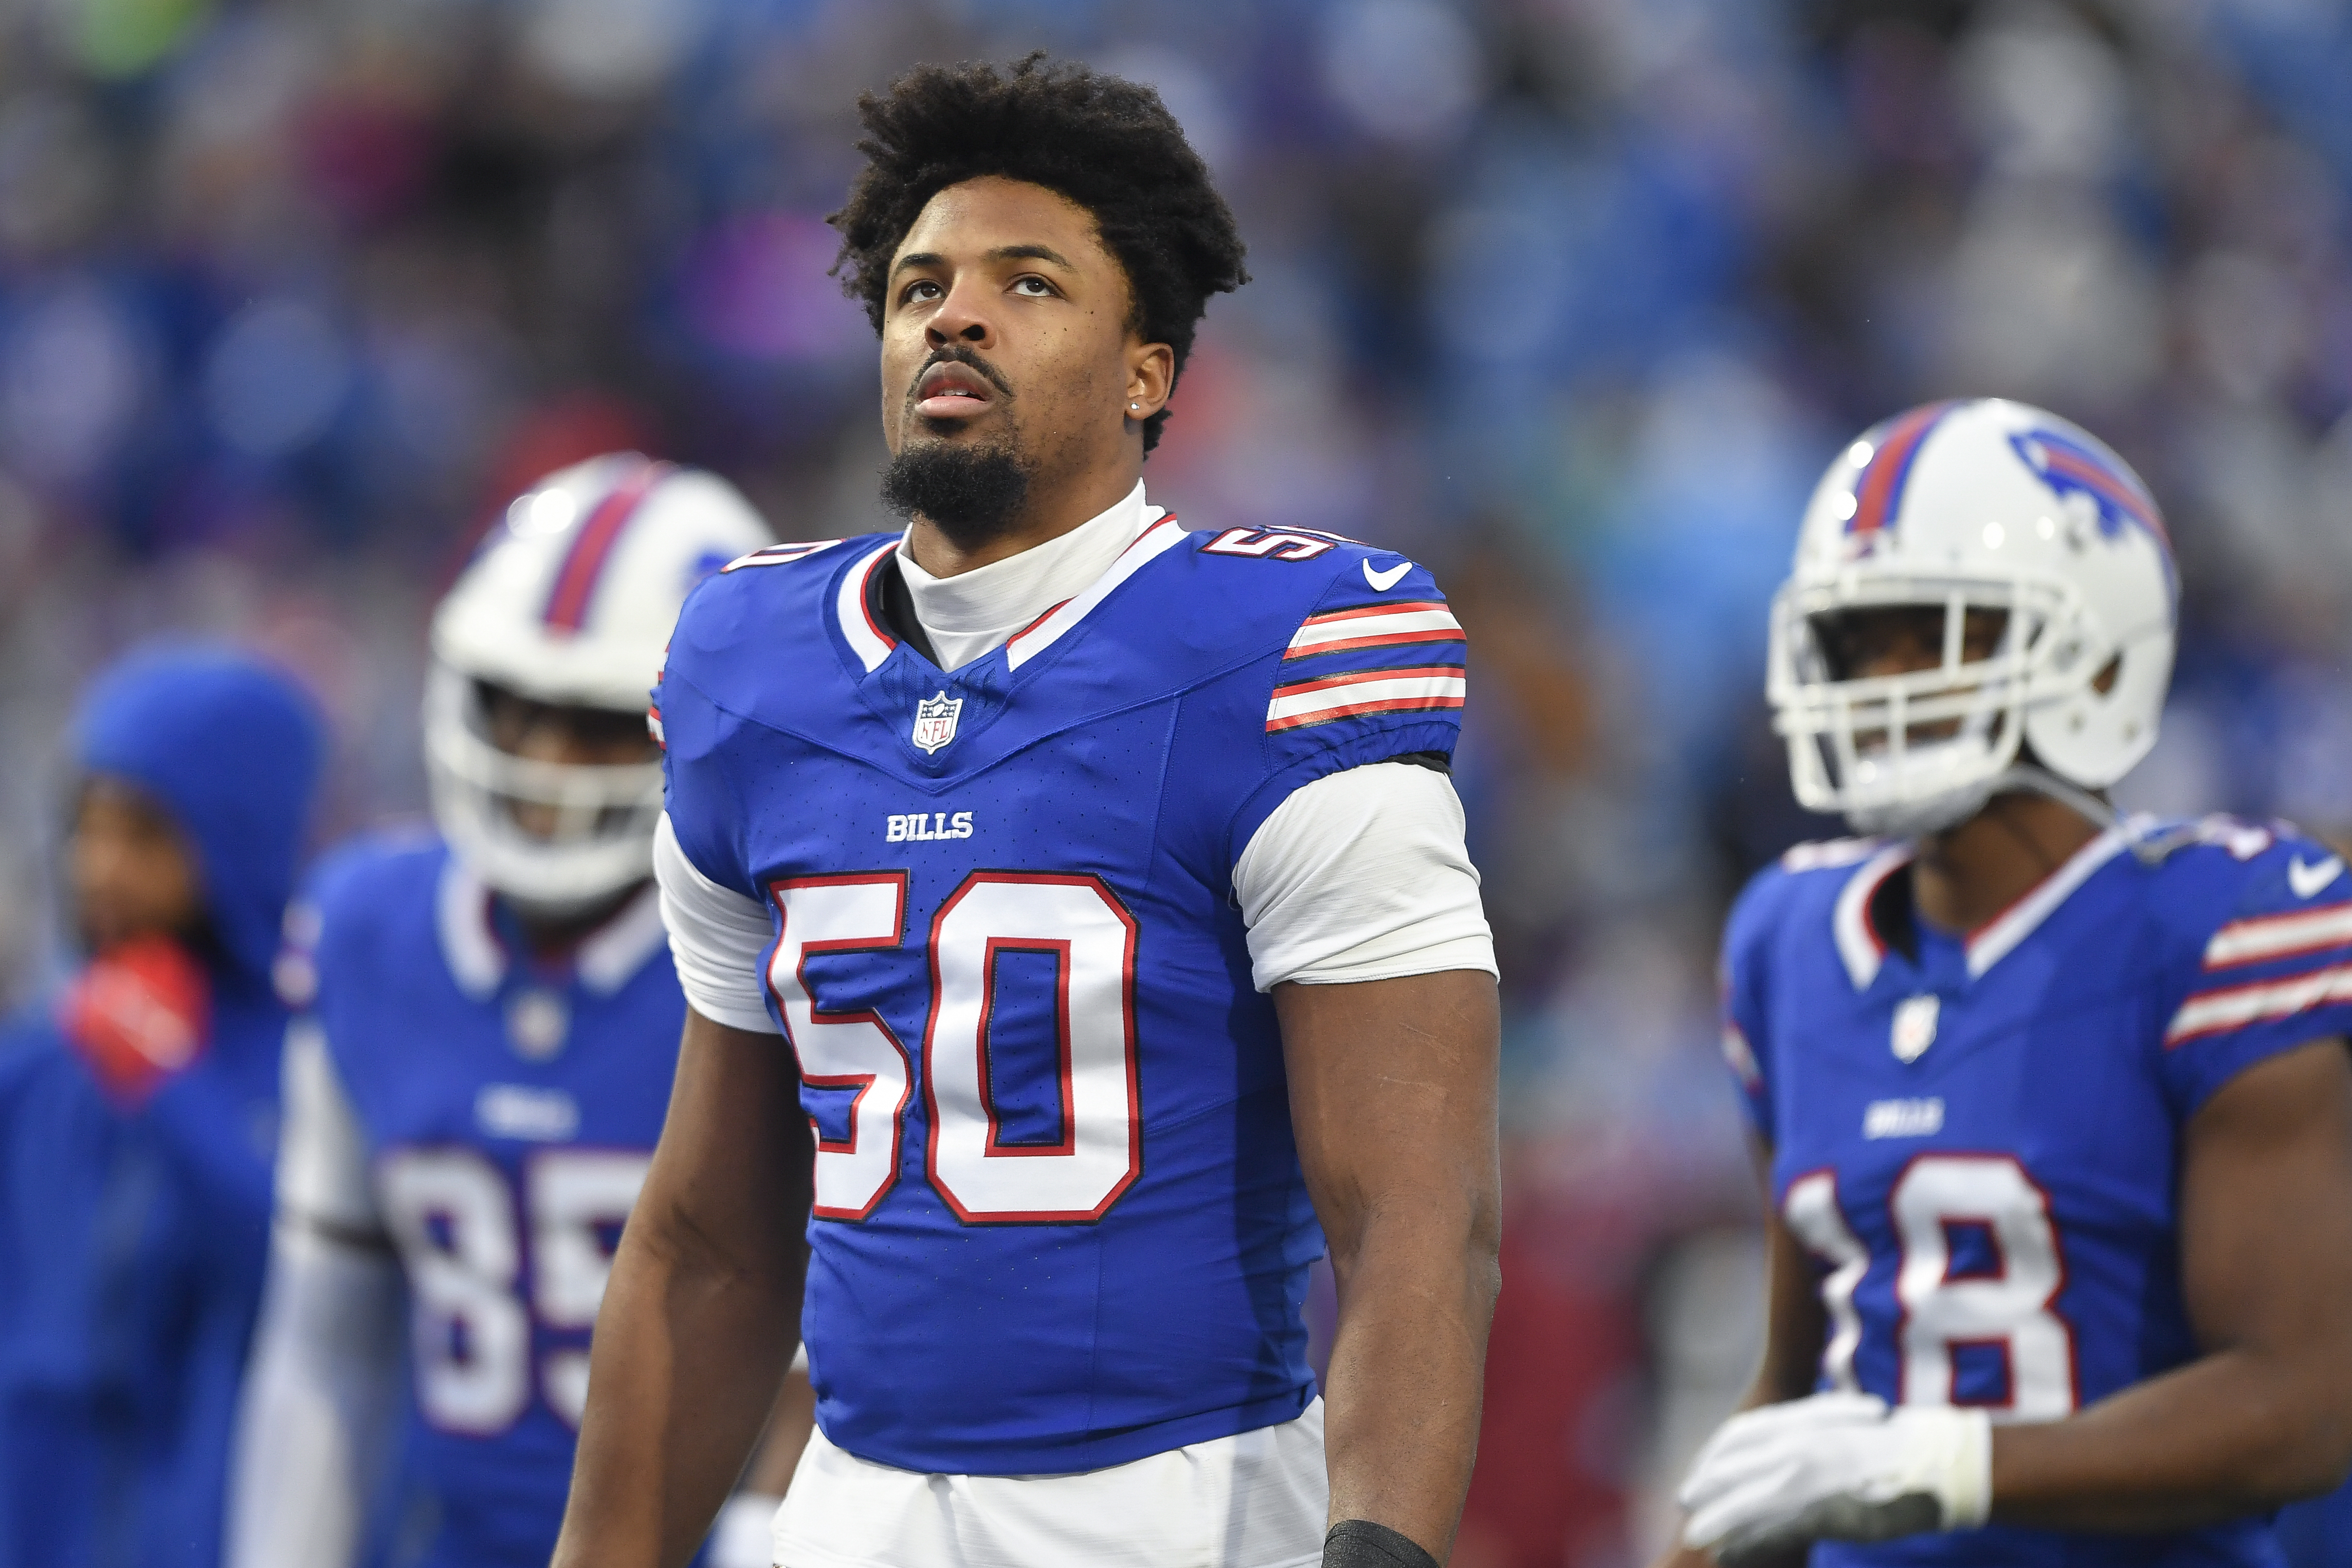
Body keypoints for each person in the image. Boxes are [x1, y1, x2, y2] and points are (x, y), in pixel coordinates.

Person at [552, 54, 1503, 1568]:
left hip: (1177, 1500)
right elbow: (715, 1240)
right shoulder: (750, 674)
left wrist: (1378, 1545)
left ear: (1149, 370)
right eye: (918, 282)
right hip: (854, 1505)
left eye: (1031, 282)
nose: (955, 311)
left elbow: (1413, 1217)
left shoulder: (1285, 649)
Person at [1667, 397, 2352, 1565]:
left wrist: (1948, 1464)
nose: (1878, 686)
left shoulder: (2221, 926)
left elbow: (2299, 1407)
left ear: (2091, 650)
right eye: (1855, 642)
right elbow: (1795, 1392)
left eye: (1929, 638)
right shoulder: (1786, 936)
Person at [224, 455, 803, 1568]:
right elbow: (323, 1342)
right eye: (515, 708)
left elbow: (833, 1359)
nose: (544, 768)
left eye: (597, 723)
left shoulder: (786, 953)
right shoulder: (369, 928)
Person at [0, 645, 325, 1568]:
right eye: (85, 828)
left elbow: (309, 1296)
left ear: (241, 836)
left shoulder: (309, 1060)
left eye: (144, 833)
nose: (100, 867)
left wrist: (172, 1089)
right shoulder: (37, 1069)